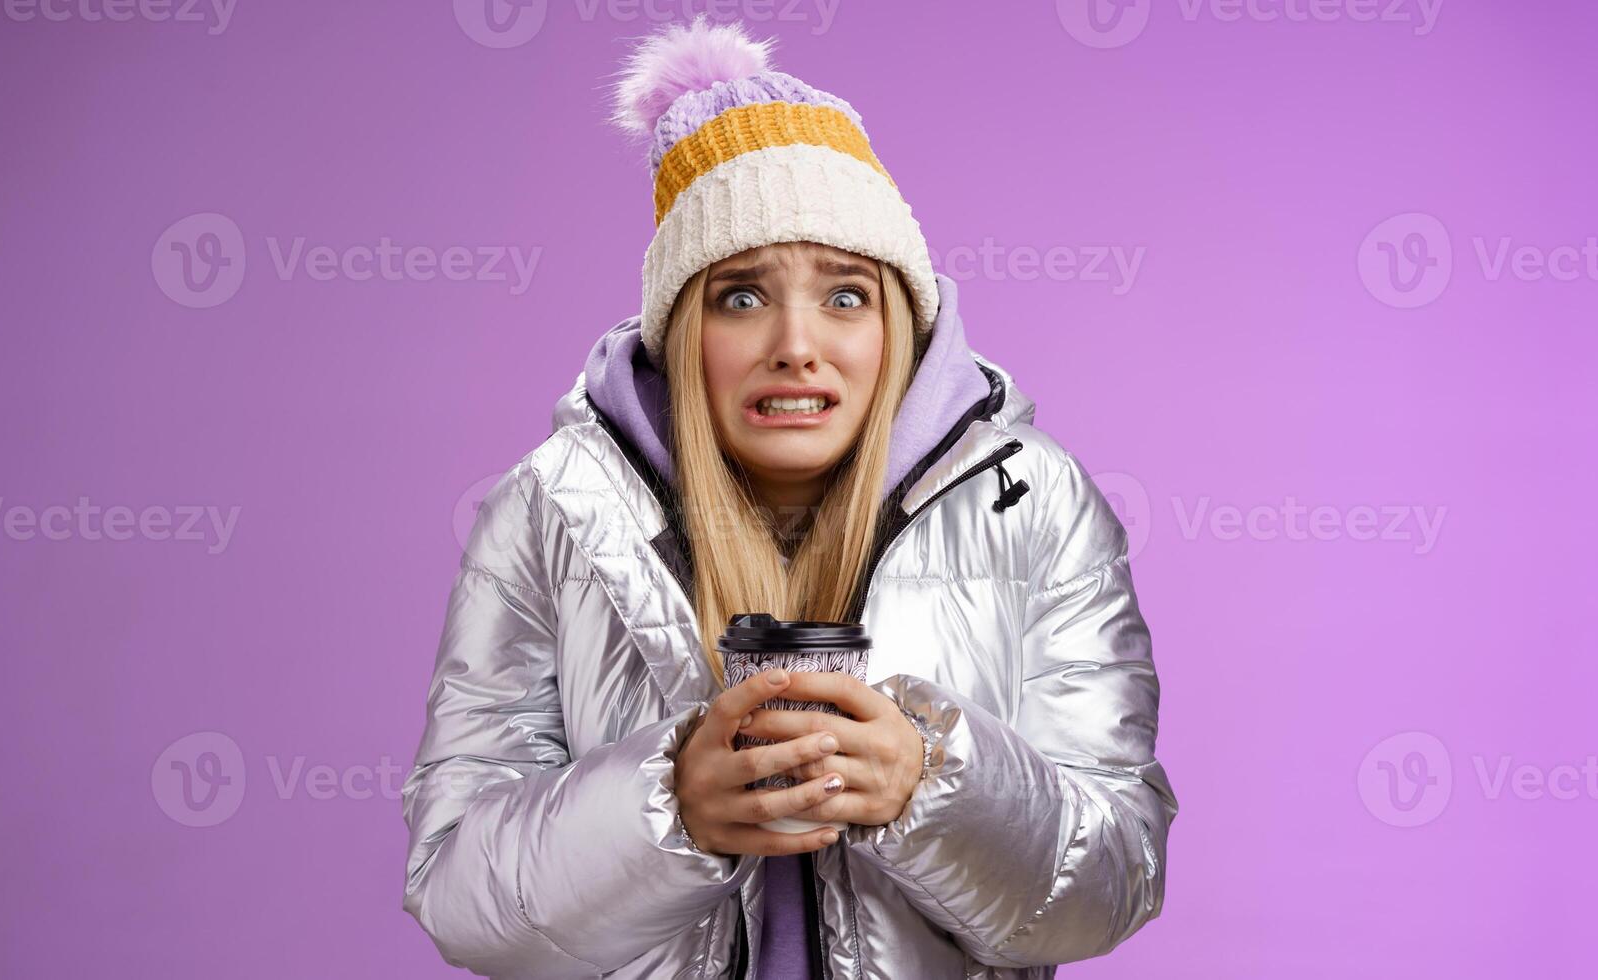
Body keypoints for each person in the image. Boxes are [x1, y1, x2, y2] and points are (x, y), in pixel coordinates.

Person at [401, 20, 1174, 978]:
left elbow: (1117, 878)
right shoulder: (552, 511)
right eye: (740, 296)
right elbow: (458, 893)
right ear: (683, 327)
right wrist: (665, 809)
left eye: (846, 295)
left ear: (901, 321)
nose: (796, 344)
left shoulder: (1033, 503)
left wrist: (936, 786)